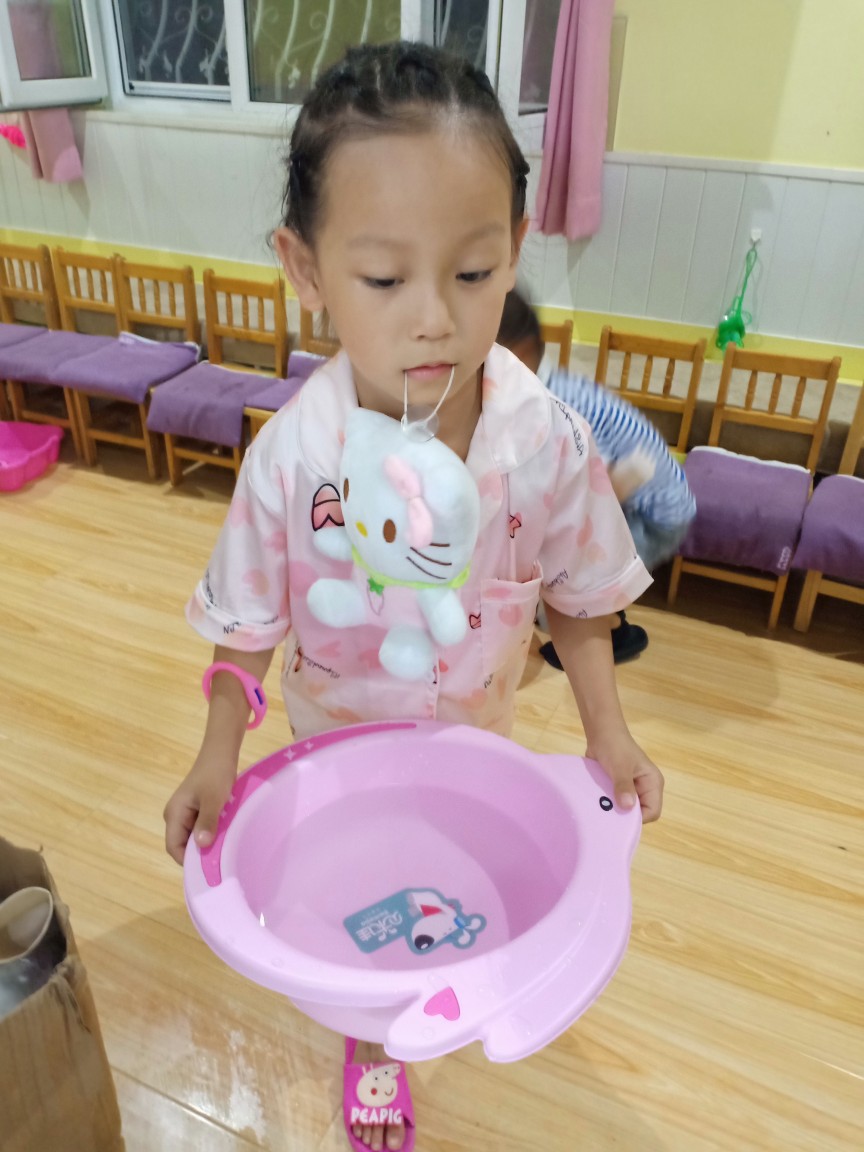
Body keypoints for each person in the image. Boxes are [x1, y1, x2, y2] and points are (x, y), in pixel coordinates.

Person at [163, 41, 664, 1152]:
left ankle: (444, 996)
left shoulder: (546, 440)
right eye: (386, 281)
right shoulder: (293, 462)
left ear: (515, 248)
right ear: (305, 268)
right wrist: (216, 755)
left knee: (452, 896)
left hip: (477, 738)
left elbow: (579, 598)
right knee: (363, 922)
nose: (435, 318)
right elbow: (245, 629)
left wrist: (609, 734)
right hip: (333, 752)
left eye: (473, 273)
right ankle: (376, 1044)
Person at [497, 288, 696, 669]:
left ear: (518, 355)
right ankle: (608, 613)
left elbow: (600, 489)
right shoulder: (546, 386)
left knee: (566, 587)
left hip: (655, 517)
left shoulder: (553, 406)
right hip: (650, 497)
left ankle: (617, 632)